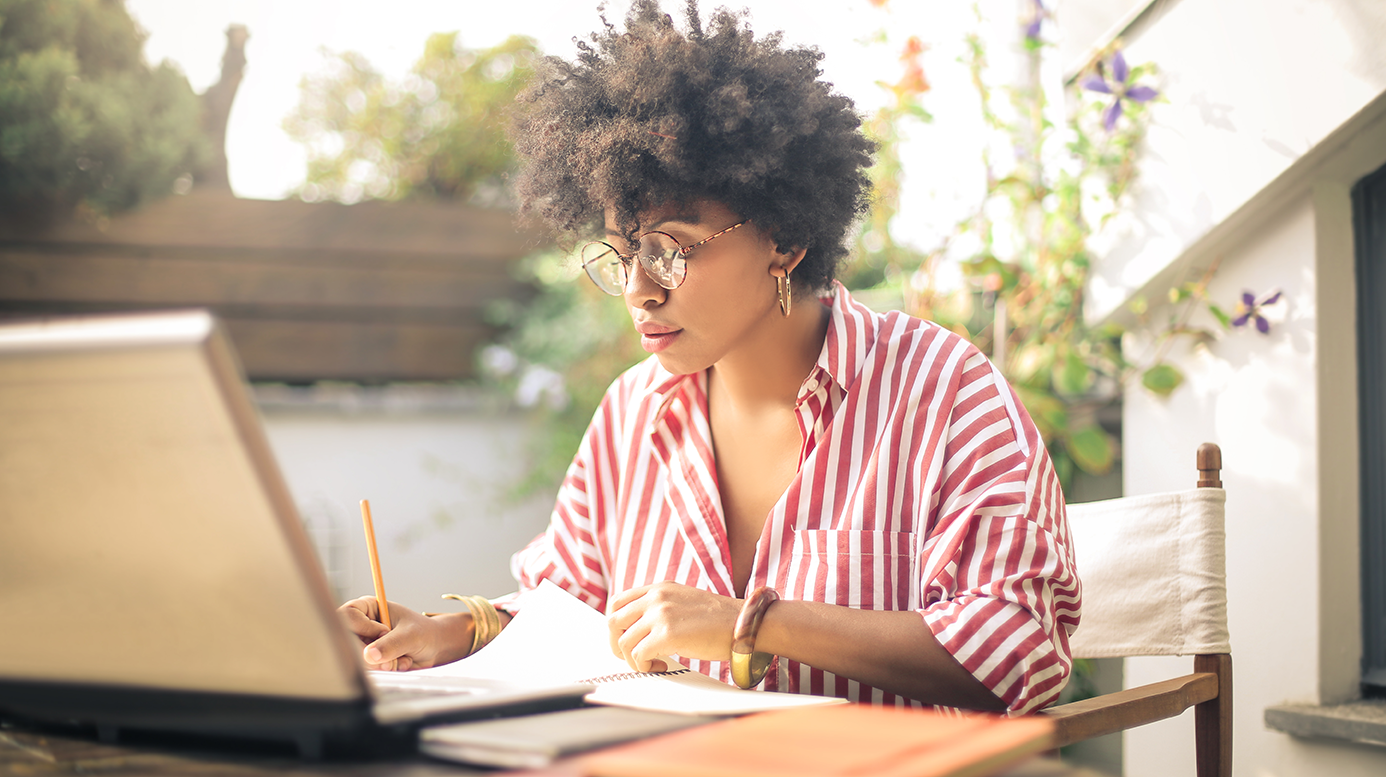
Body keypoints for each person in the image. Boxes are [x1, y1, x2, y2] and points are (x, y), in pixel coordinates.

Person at [340, 0, 1079, 715]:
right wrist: (455, 632)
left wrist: (745, 624)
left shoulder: (943, 392)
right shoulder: (635, 411)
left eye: (668, 249)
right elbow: (569, 604)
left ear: (785, 239)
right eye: (623, 254)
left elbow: (1019, 649)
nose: (638, 290)